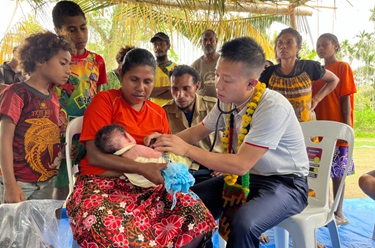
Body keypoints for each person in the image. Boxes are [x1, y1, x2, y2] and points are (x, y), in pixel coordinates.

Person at [147, 36, 309, 248]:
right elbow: (197, 132)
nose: (218, 85)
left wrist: (186, 149)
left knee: (244, 223)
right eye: (216, 76)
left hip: (286, 183)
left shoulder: (272, 106)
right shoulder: (227, 103)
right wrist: (163, 141)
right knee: (188, 201)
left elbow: (241, 165)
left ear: (251, 83)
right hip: (248, 179)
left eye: (227, 79)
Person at [65, 48, 217, 248]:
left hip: (148, 186)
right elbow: (94, 157)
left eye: (148, 82)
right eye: (134, 79)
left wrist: (159, 159)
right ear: (121, 76)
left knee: (195, 213)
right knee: (103, 223)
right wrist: (140, 168)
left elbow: (160, 157)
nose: (141, 88)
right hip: (102, 182)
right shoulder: (105, 101)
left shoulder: (157, 113)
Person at [0, 30, 74, 204]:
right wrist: (10, 184)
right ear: (40, 60)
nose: (68, 70)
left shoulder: (53, 97)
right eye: (63, 63)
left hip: (47, 182)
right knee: (12, 231)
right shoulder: (17, 94)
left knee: (38, 230)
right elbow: (3, 140)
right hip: (19, 183)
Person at [51, 0, 108, 213]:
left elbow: (100, 97)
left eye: (83, 28)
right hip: (59, 133)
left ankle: (85, 225)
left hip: (91, 131)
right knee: (60, 184)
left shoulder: (98, 61)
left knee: (89, 178)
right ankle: (56, 230)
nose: (80, 35)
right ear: (58, 31)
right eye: (72, 30)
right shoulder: (53, 62)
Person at [313, 33, 357, 226]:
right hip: (318, 132)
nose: (321, 48)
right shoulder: (317, 71)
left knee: (338, 172)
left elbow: (345, 98)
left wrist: (346, 129)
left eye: (325, 44)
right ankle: (326, 209)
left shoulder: (342, 67)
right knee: (321, 171)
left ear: (336, 46)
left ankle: (339, 213)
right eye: (318, 45)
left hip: (337, 128)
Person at [259, 27, 339, 122]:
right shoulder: (269, 72)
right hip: (278, 129)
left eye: (289, 42)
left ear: (298, 47)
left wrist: (316, 99)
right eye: (279, 43)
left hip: (306, 130)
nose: (283, 46)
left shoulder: (309, 67)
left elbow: (334, 80)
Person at [162, 64, 222, 184]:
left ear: (197, 86)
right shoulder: (163, 112)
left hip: (212, 171)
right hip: (180, 173)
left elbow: (234, 142)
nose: (180, 95)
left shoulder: (216, 108)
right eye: (175, 89)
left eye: (186, 88)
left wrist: (225, 166)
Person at [95, 123, 191, 188]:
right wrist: (155, 147)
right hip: (161, 173)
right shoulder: (136, 149)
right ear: (127, 137)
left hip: (142, 184)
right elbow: (156, 155)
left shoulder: (120, 159)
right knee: (173, 154)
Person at [149, 32, 177, 106]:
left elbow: (176, 93)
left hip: (172, 112)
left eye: (161, 44)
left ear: (168, 46)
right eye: (155, 44)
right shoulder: (148, 68)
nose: (158, 47)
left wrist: (154, 93)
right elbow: (146, 92)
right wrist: (167, 88)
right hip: (154, 112)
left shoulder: (176, 68)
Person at [191, 29, 220, 98]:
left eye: (211, 40)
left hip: (221, 106)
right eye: (205, 40)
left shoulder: (224, 62)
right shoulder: (195, 65)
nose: (208, 43)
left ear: (216, 41)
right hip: (202, 107)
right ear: (201, 42)